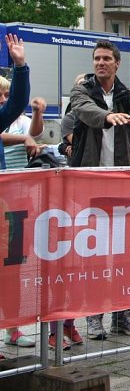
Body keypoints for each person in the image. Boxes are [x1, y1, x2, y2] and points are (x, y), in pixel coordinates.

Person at [69, 40, 130, 341]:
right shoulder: (82, 90)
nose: (100, 63)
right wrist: (107, 116)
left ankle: (122, 315)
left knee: (123, 251)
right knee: (94, 254)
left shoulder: (125, 93)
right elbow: (86, 111)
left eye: (106, 59)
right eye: (97, 59)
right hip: (91, 180)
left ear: (117, 63)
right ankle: (93, 316)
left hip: (121, 181)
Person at [0, 35, 35, 355]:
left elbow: (16, 104)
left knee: (10, 269)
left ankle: (12, 328)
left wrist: (20, 65)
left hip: (3, 204)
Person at [1, 77, 45, 170]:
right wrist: (23, 139)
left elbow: (35, 136)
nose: (3, 100)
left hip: (19, 179)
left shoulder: (21, 120)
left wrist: (37, 112)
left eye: (7, 95)